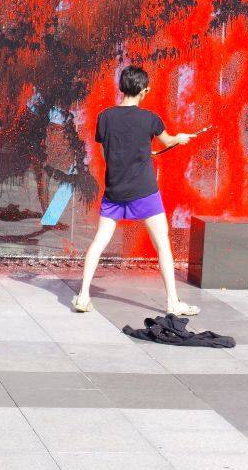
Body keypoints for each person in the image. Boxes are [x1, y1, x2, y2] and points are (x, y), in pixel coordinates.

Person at [73, 65, 200, 316]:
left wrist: (139, 152)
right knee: (162, 244)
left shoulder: (105, 117)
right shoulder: (150, 119)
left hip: (114, 191)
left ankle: (83, 296)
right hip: (144, 192)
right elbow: (168, 141)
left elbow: (106, 151)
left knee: (99, 241)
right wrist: (180, 138)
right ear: (144, 90)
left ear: (121, 87)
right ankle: (173, 302)